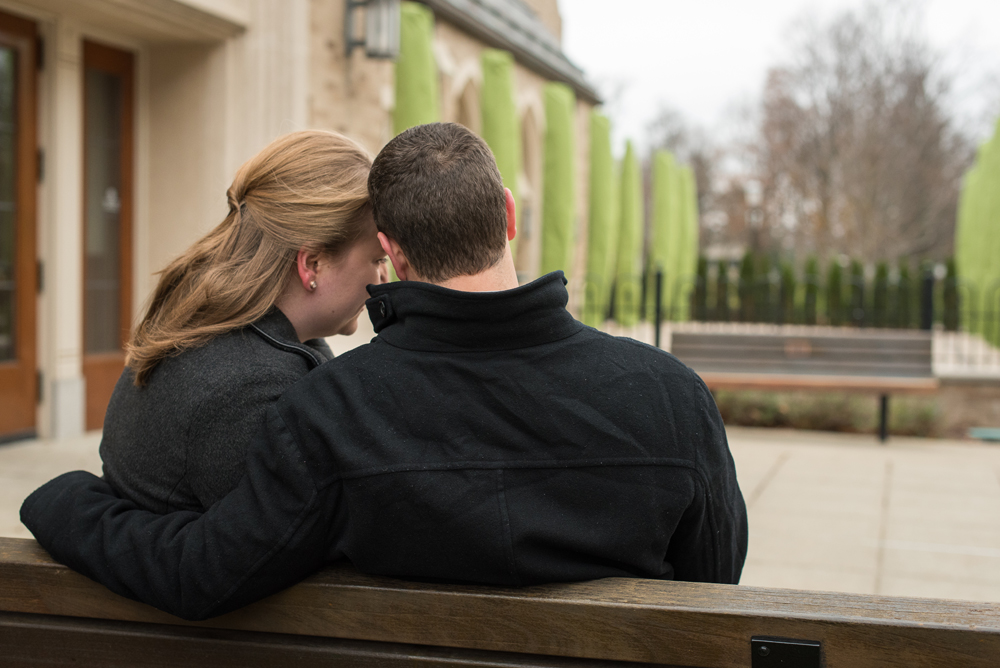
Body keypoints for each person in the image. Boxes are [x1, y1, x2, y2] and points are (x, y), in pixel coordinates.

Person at [22, 123, 747, 621]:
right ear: (508, 214)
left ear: (393, 253)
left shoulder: (332, 410)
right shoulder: (673, 397)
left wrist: (65, 501)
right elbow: (713, 588)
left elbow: (207, 571)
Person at [95, 129, 387, 513]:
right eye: (377, 260)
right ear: (312, 263)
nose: (383, 281)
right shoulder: (248, 390)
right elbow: (294, 544)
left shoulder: (228, 328)